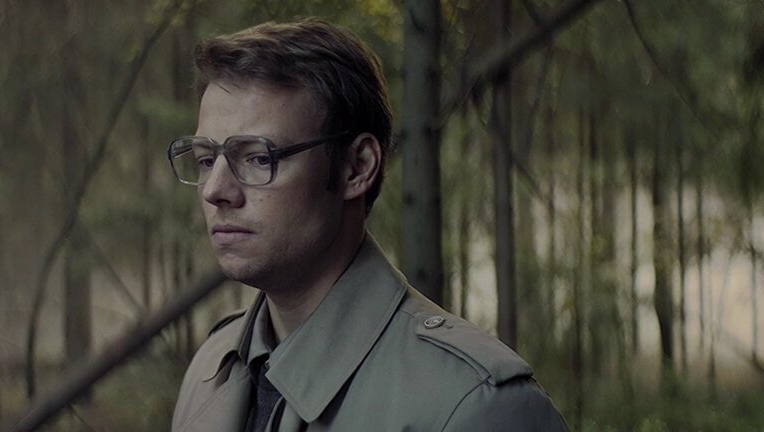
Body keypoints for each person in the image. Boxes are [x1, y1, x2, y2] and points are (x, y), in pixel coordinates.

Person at [167, 18, 567, 431]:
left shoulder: (474, 405)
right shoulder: (208, 371)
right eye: (206, 160)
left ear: (357, 167)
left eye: (258, 157)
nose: (215, 190)